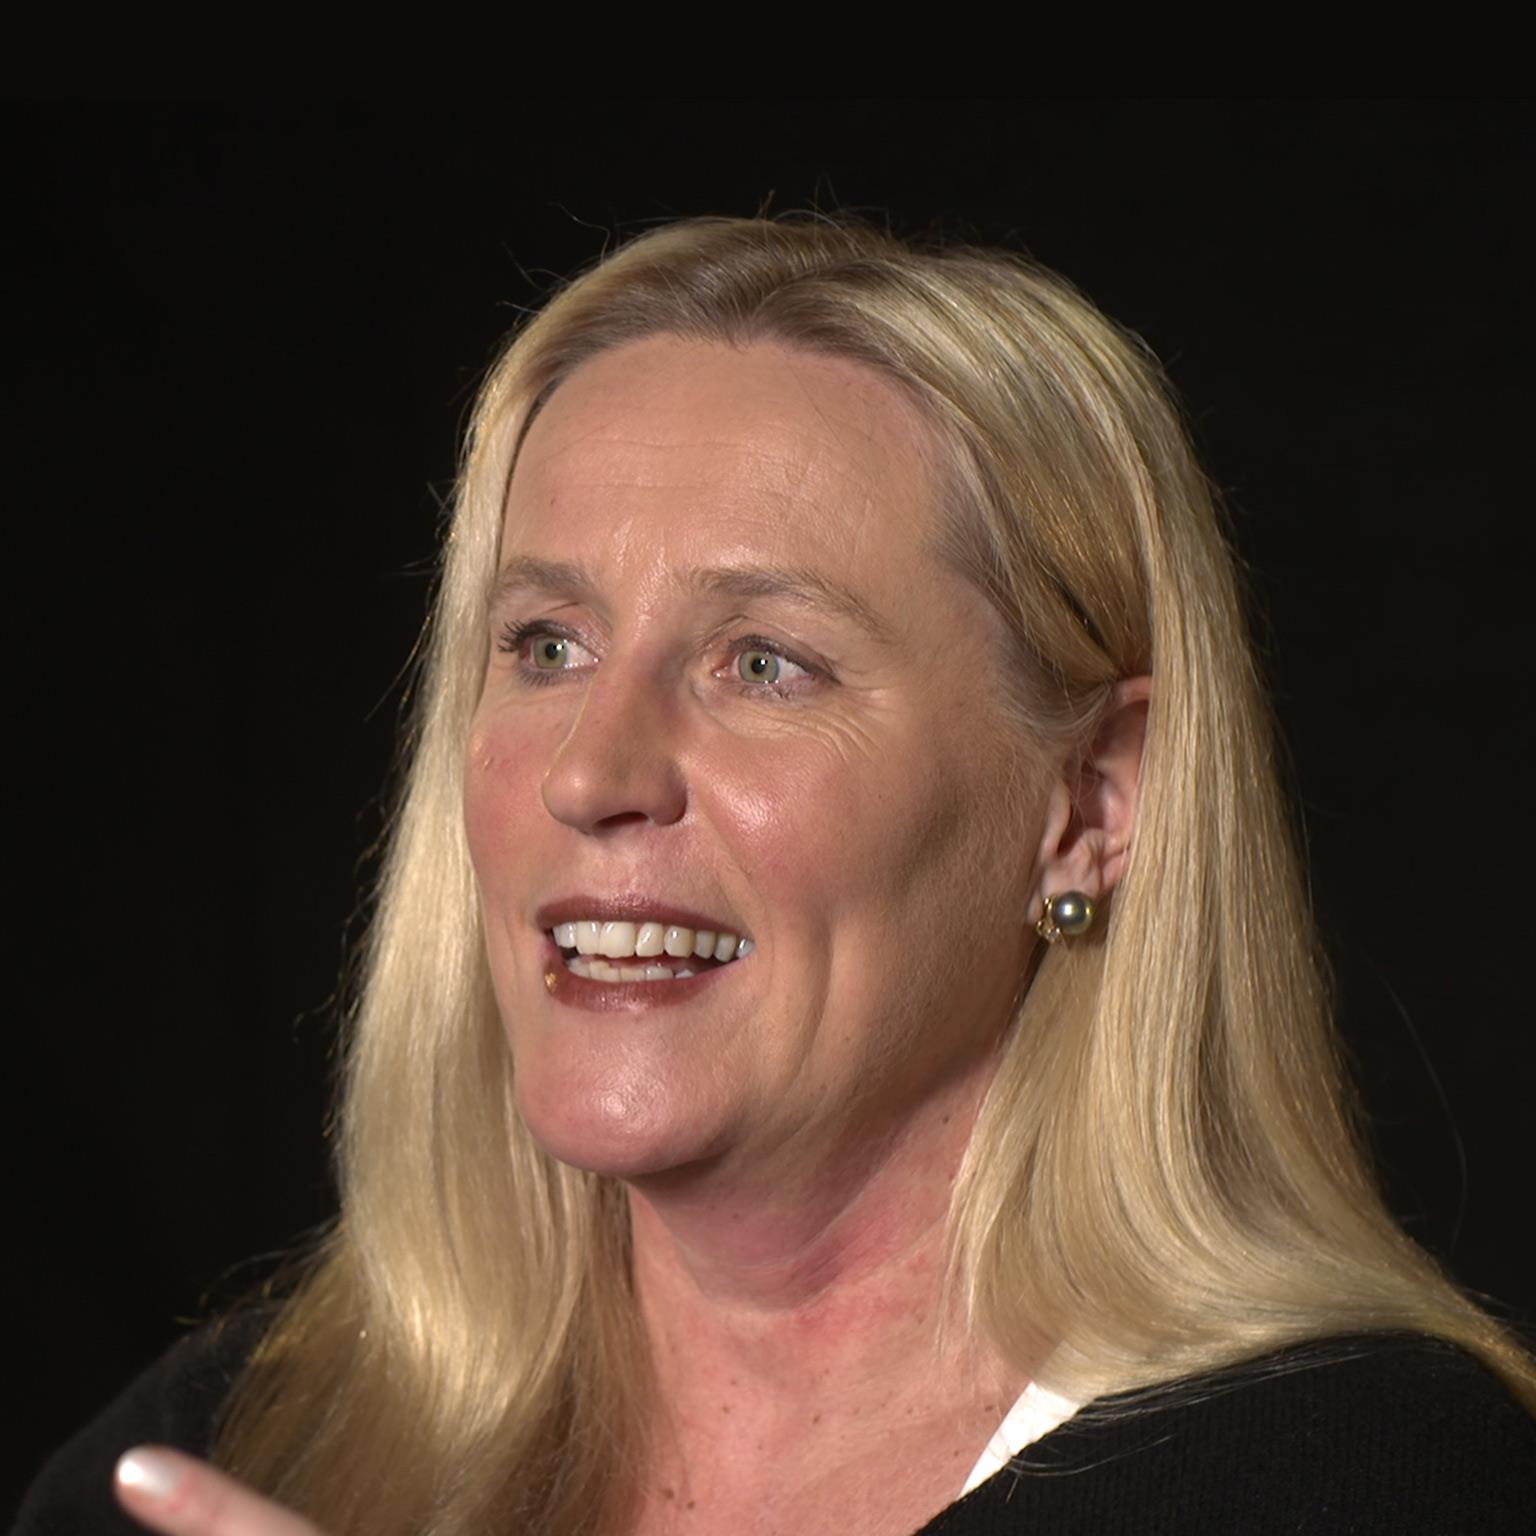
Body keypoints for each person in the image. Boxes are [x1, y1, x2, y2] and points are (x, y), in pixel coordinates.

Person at [18, 215, 1536, 1536]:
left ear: (1093, 800)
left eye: (764, 663)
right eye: (547, 645)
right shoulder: (247, 1438)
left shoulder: (1367, 1481)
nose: (591, 774)